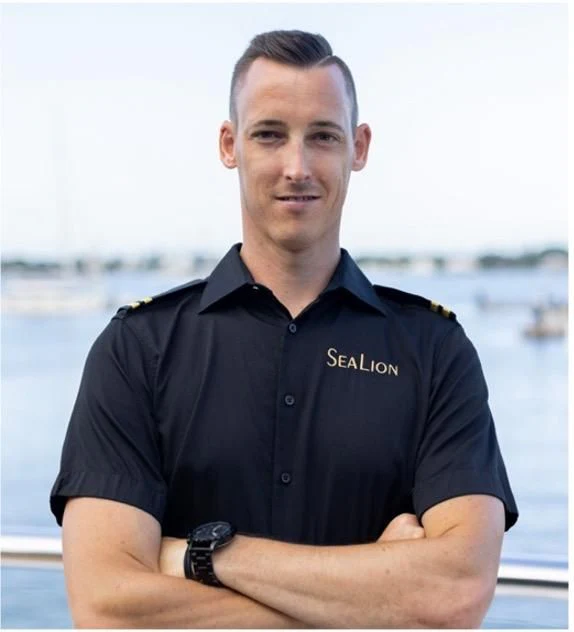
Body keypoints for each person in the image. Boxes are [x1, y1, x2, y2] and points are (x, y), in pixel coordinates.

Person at [50, 30, 518, 628]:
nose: (297, 167)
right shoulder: (138, 349)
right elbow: (107, 609)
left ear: (358, 147)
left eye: (323, 136)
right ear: (230, 145)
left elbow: (453, 595)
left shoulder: (434, 349)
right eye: (269, 134)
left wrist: (202, 556)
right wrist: (374, 597)